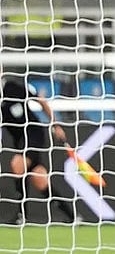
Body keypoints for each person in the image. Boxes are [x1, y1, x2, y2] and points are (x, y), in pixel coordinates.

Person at [1, 73, 79, 225]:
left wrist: (55, 124)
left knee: (17, 165)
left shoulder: (13, 87)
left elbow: (41, 101)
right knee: (40, 179)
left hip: (33, 133)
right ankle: (72, 217)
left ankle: (20, 215)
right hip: (19, 140)